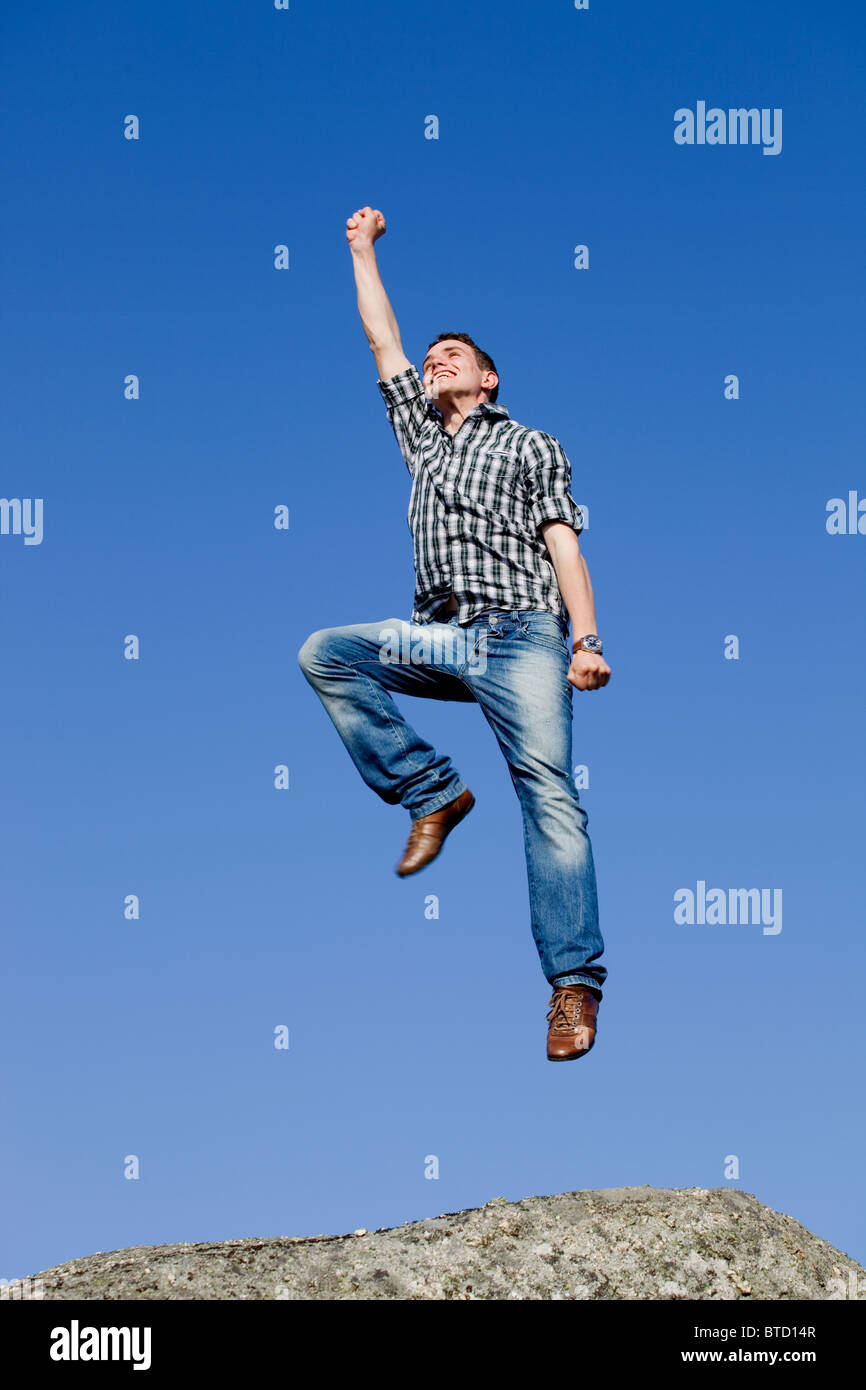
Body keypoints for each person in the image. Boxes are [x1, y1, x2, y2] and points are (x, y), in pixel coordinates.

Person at [298, 206, 611, 1061]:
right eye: (432, 358)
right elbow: (381, 341)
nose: (436, 362)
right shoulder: (423, 444)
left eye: (455, 357)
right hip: (445, 637)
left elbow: (563, 544)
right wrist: (360, 249)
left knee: (548, 792)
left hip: (526, 638)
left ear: (490, 378)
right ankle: (432, 790)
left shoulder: (530, 444)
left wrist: (585, 641)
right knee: (328, 652)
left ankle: (572, 986)